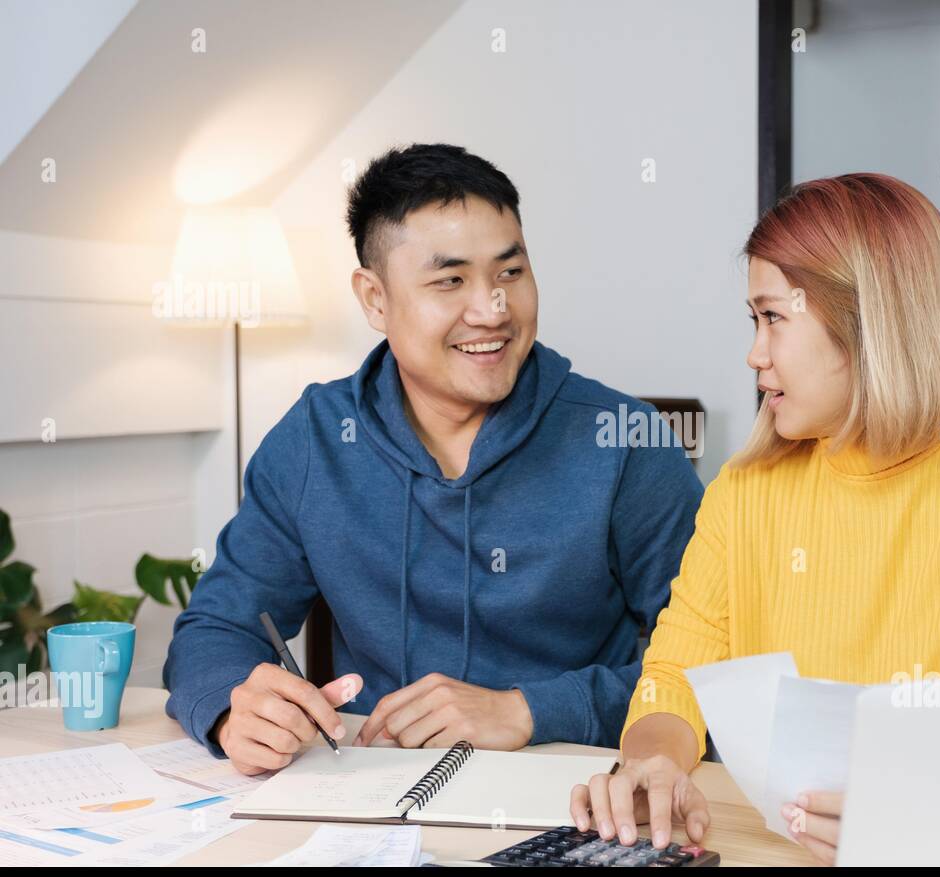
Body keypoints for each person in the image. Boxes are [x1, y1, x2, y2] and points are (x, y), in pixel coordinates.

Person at [570, 173, 940, 864]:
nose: (754, 354)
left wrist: (919, 815)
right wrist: (652, 763)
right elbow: (675, 672)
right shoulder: (745, 488)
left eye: (773, 319)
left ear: (865, 322)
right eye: (751, 322)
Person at [164, 144, 703, 775]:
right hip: (375, 794)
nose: (493, 310)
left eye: (510, 273)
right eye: (450, 280)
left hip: (574, 788)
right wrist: (234, 708)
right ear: (374, 299)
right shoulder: (315, 438)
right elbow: (213, 630)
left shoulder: (626, 441)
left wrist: (530, 710)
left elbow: (715, 664)